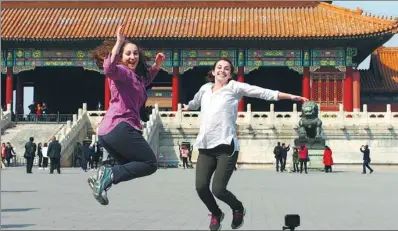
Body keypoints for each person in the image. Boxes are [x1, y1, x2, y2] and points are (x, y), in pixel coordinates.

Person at [182, 58, 308, 231]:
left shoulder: (234, 87)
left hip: (226, 147)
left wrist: (291, 96)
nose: (222, 71)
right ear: (212, 72)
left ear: (231, 74)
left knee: (218, 189)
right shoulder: (204, 89)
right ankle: (216, 213)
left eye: (226, 69)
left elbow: (262, 92)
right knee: (201, 187)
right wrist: (188, 108)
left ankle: (238, 208)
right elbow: (195, 102)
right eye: (219, 67)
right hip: (205, 146)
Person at [88, 23, 165, 206]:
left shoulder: (135, 77)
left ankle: (101, 179)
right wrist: (118, 42)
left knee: (134, 164)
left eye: (135, 53)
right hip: (120, 127)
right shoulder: (121, 72)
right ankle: (108, 173)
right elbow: (108, 69)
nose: (133, 57)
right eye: (128, 53)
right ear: (121, 57)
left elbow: (144, 81)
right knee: (149, 163)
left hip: (108, 133)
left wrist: (156, 66)